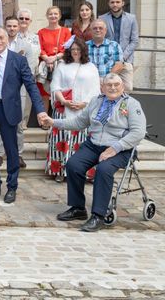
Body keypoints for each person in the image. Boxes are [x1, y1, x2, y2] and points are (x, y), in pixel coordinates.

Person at [44, 73, 146, 232]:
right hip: (94, 145)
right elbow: (79, 122)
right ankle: (78, 208)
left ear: (122, 86)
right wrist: (54, 122)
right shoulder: (96, 101)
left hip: (121, 148)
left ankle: (98, 216)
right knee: (73, 165)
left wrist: (114, 149)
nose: (112, 87)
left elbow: (138, 132)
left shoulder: (132, 104)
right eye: (109, 85)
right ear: (102, 87)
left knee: (104, 170)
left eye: (116, 85)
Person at [0, 27, 48, 204]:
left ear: (7, 40)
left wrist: (40, 109)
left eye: (1, 38)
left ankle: (12, 186)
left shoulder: (18, 60)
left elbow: (31, 86)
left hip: (8, 110)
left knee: (11, 151)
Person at [47, 36, 100, 181]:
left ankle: (83, 172)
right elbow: (55, 86)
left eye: (78, 49)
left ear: (83, 50)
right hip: (64, 110)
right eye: (73, 49)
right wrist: (64, 101)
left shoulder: (91, 67)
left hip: (83, 110)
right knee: (61, 139)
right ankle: (60, 171)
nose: (75, 52)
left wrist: (85, 103)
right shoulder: (62, 65)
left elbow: (96, 91)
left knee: (81, 143)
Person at [0, 16, 39, 168]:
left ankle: (19, 154)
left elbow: (27, 68)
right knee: (1, 121)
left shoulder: (25, 46)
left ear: (19, 27)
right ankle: (0, 153)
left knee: (18, 123)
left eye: (15, 26)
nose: (12, 28)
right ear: (5, 27)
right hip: (0, 89)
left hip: (18, 90)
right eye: (9, 26)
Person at [99, 0, 139, 91]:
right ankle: (109, 106)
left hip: (126, 60)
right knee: (107, 86)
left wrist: (123, 57)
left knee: (127, 88)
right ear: (109, 4)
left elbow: (134, 40)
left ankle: (122, 106)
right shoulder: (102, 18)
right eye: (112, 2)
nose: (115, 4)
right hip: (107, 59)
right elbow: (100, 38)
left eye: (118, 2)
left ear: (123, 3)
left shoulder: (131, 18)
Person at [37, 6, 72, 111]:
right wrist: (47, 59)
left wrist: (54, 58)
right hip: (44, 65)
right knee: (44, 93)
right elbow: (39, 47)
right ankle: (44, 120)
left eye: (55, 14)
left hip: (60, 63)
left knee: (59, 91)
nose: (53, 16)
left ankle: (58, 118)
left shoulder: (65, 31)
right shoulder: (41, 32)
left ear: (60, 16)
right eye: (50, 14)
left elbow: (67, 48)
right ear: (47, 16)